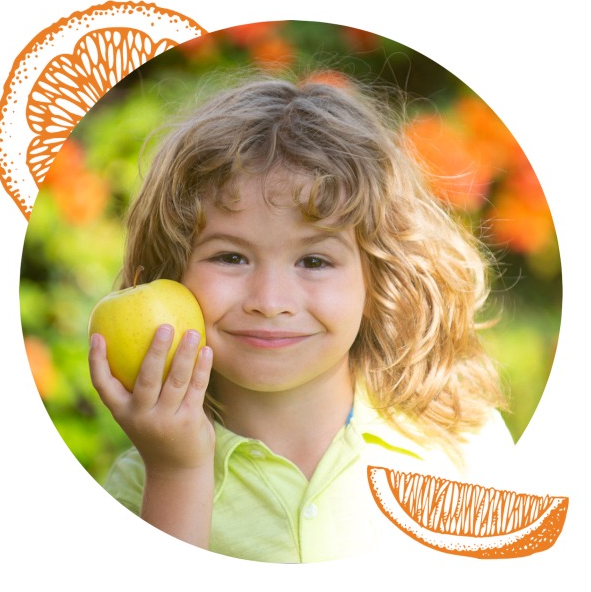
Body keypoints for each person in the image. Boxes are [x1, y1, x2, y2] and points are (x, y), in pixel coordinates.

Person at [89, 72, 514, 563]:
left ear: (379, 276)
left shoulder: (462, 446)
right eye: (230, 257)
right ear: (171, 276)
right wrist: (178, 475)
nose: (270, 301)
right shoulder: (143, 483)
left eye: (314, 261)